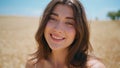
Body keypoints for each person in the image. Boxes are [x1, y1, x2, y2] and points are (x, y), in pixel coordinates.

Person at [26, 0, 106, 68]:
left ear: (79, 31)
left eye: (69, 23)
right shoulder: (33, 65)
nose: (58, 29)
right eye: (53, 18)